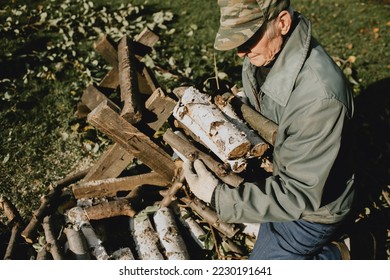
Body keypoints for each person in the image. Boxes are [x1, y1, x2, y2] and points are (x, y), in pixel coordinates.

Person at [183, 0, 356, 259]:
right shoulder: (265, 54)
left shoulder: (319, 99)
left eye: (248, 38)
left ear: (283, 23)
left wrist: (218, 197)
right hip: (279, 177)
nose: (241, 52)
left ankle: (345, 254)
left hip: (313, 209)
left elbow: (300, 194)